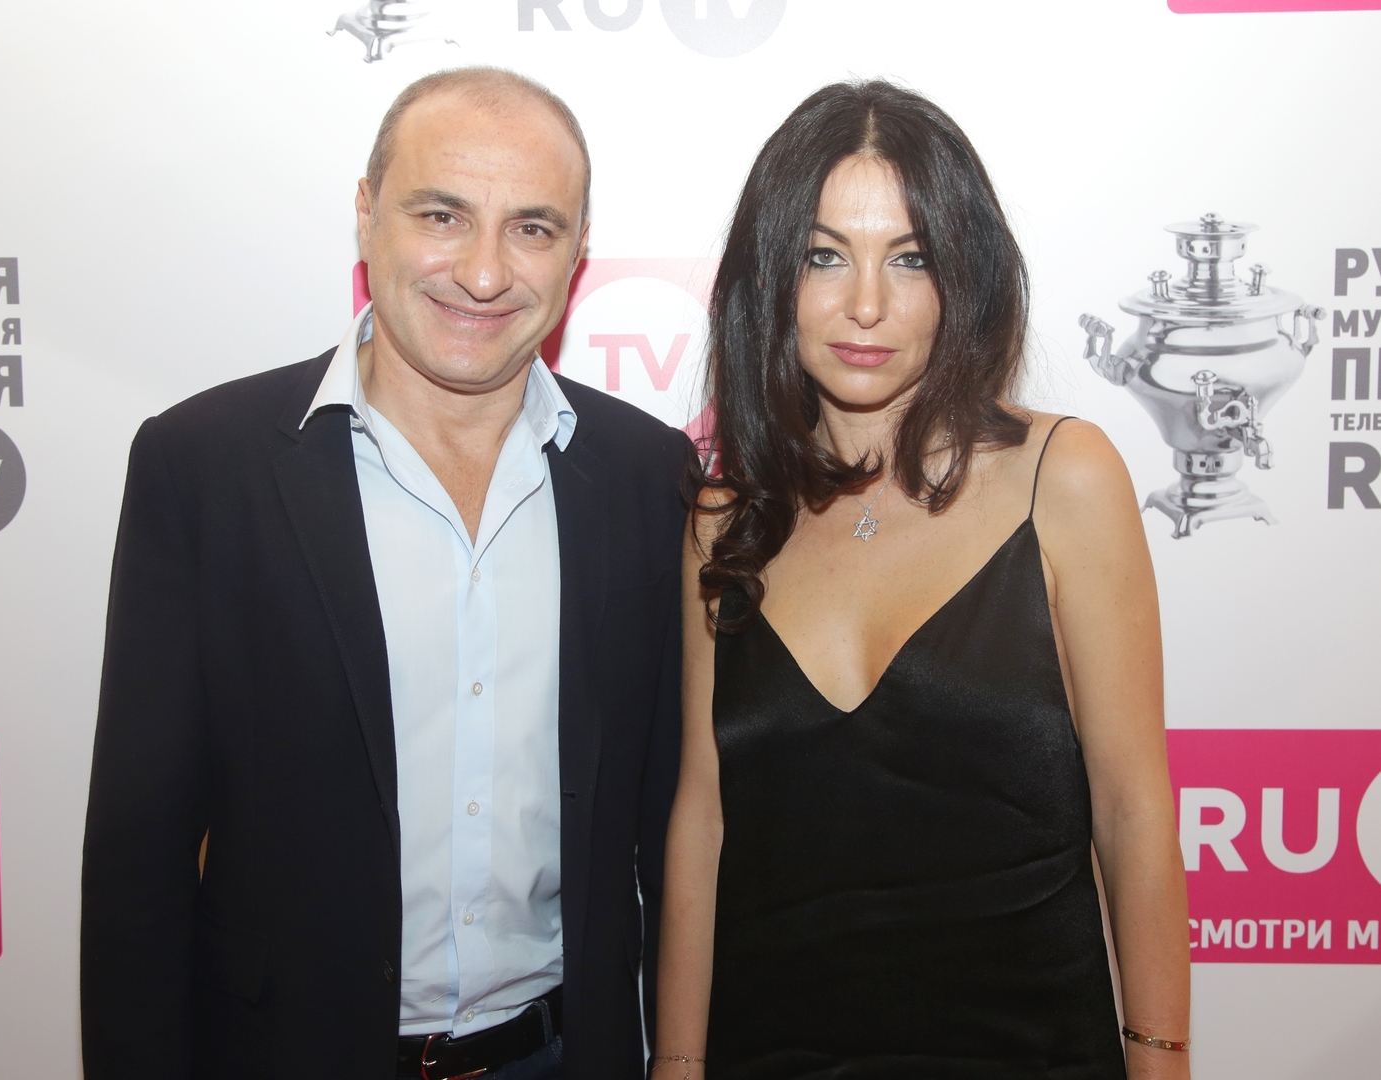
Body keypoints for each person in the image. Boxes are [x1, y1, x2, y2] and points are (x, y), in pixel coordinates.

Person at [81, 67, 691, 1080]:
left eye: (532, 228)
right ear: (366, 215)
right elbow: (138, 860)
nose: (484, 273)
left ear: (579, 251)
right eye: (442, 215)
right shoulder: (205, 466)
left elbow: (678, 834)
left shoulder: (647, 477)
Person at [656, 80, 1190, 1080]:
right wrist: (678, 1065)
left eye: (910, 258)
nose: (865, 304)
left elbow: (1131, 809)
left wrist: (1160, 1062)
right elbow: (704, 819)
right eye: (823, 256)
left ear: (964, 278)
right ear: (770, 279)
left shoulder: (1063, 478)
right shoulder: (723, 522)